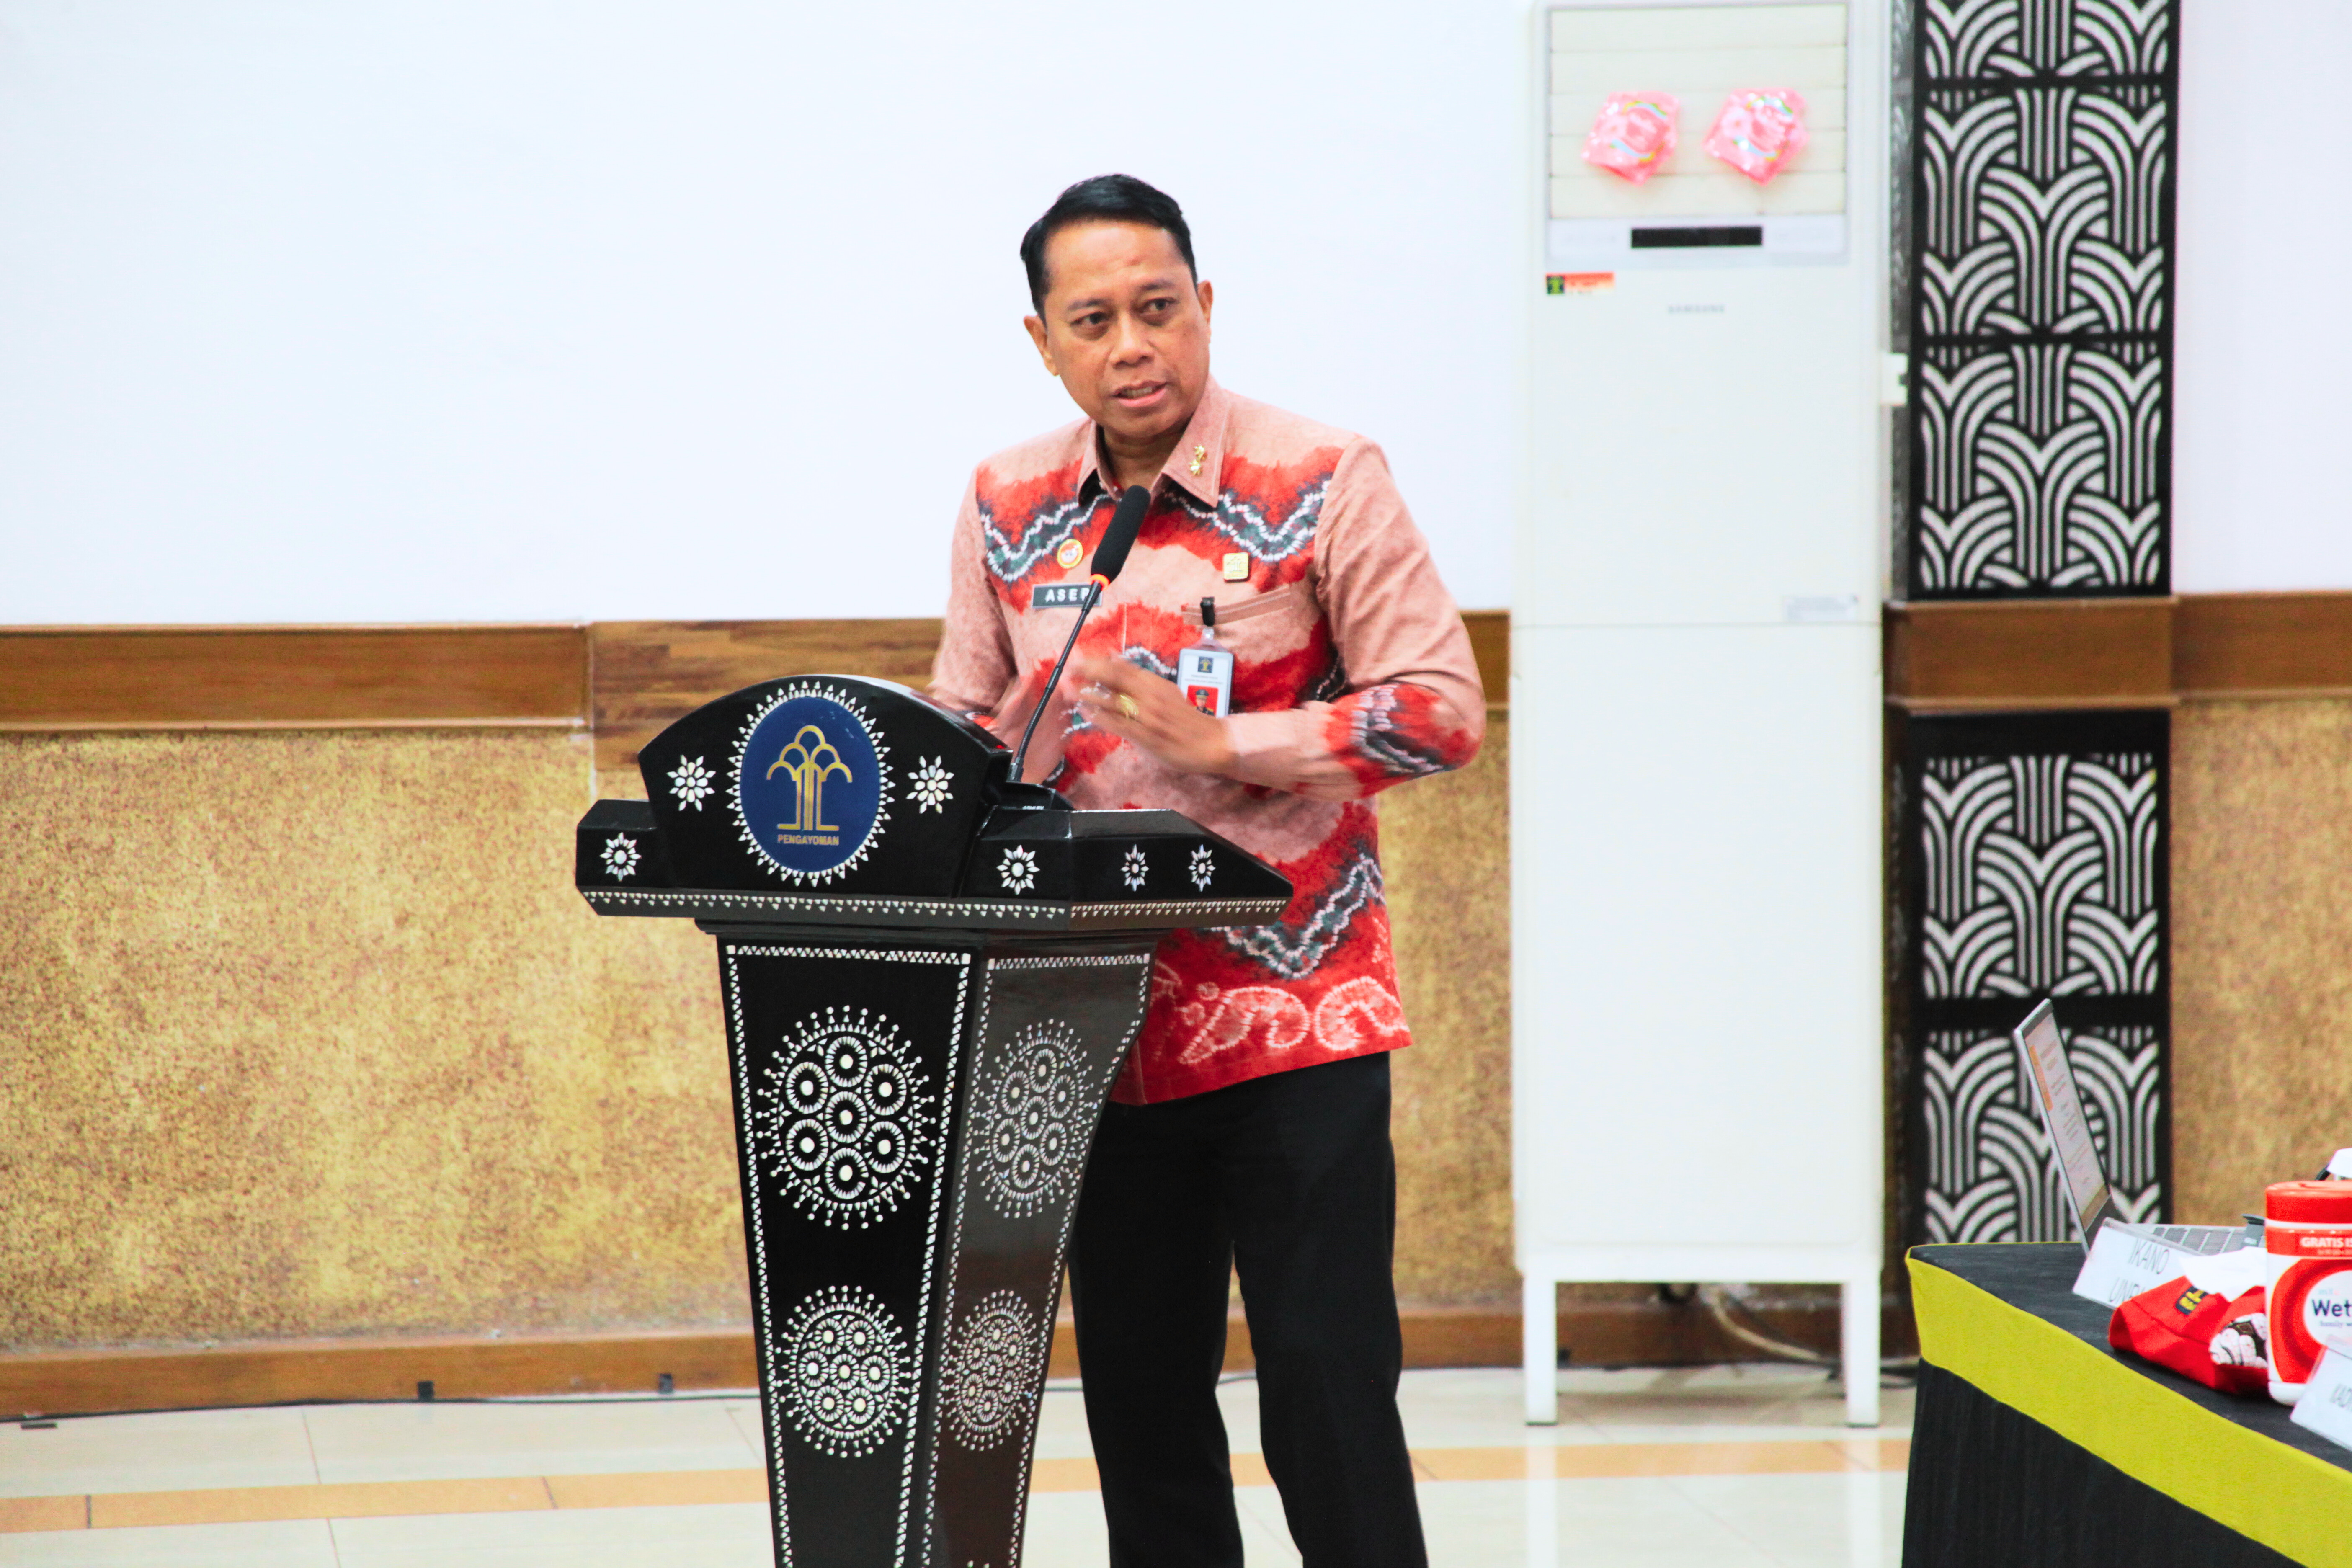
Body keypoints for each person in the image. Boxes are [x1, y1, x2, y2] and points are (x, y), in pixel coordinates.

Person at [929, 173, 1483, 1568]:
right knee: (1143, 1405)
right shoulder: (1006, 502)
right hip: (1090, 1022)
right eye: (1094, 321)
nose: (1134, 346)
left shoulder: (1324, 475)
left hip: (1298, 1015)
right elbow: (962, 727)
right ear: (1044, 341)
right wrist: (971, 755)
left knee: (1327, 1393)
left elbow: (1440, 710)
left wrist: (1228, 742)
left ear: (1207, 306)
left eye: (1159, 308)